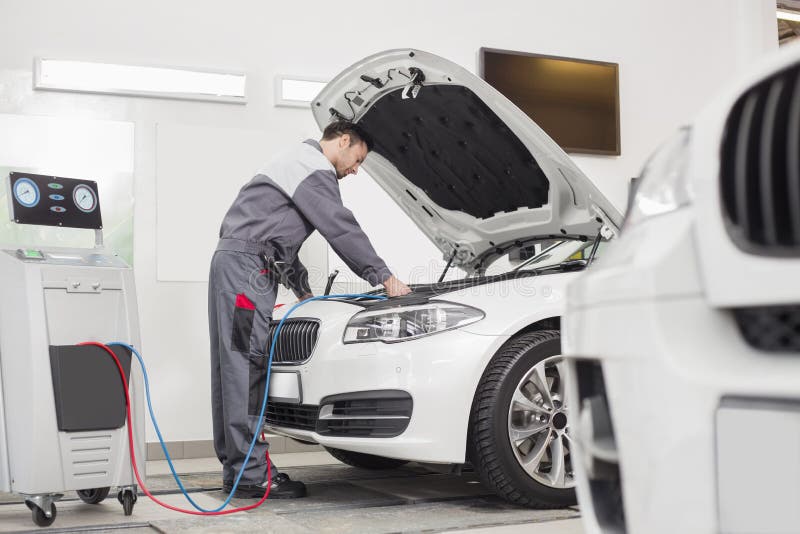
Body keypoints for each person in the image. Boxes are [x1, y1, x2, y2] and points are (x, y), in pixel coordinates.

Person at [208, 120, 412, 499]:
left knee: (232, 365)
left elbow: (276, 238)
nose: (355, 170)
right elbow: (340, 227)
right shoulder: (314, 167)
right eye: (358, 159)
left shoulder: (295, 161)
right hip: (246, 270)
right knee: (246, 366)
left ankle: (237, 470)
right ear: (344, 140)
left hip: (242, 264)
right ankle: (251, 475)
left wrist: (303, 291)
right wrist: (384, 278)